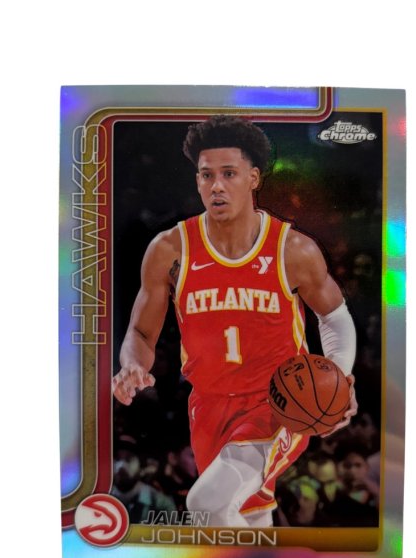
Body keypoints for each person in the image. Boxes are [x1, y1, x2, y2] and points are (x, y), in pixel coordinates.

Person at [112, 115, 358, 528]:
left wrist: (339, 376)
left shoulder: (292, 249)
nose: (217, 186)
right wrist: (132, 365)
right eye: (206, 175)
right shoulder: (170, 250)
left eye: (229, 174)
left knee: (206, 505)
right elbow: (140, 332)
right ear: (196, 180)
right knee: (245, 518)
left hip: (278, 402)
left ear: (253, 178)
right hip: (208, 404)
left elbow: (334, 317)